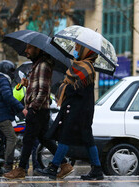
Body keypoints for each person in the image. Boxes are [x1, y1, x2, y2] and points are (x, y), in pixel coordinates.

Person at [35, 43, 104, 180]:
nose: (76, 51)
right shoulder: (79, 66)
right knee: (87, 140)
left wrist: (66, 88)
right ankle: (97, 169)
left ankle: (54, 168)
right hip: (78, 109)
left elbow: (79, 90)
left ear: (86, 51)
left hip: (79, 110)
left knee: (65, 137)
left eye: (78, 48)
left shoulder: (86, 68)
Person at [3, 44, 73, 179]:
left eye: (29, 48)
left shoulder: (43, 66)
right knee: (45, 139)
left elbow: (44, 90)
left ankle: (21, 169)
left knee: (28, 139)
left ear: (38, 49)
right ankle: (65, 164)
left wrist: (33, 108)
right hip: (40, 110)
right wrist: (27, 84)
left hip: (38, 110)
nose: (26, 50)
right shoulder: (38, 65)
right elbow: (38, 87)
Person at [0, 60, 26, 174]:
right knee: (12, 138)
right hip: (2, 117)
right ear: (7, 70)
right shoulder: (3, 81)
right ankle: (7, 165)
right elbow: (8, 98)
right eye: (12, 71)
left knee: (4, 141)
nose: (13, 73)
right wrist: (22, 109)